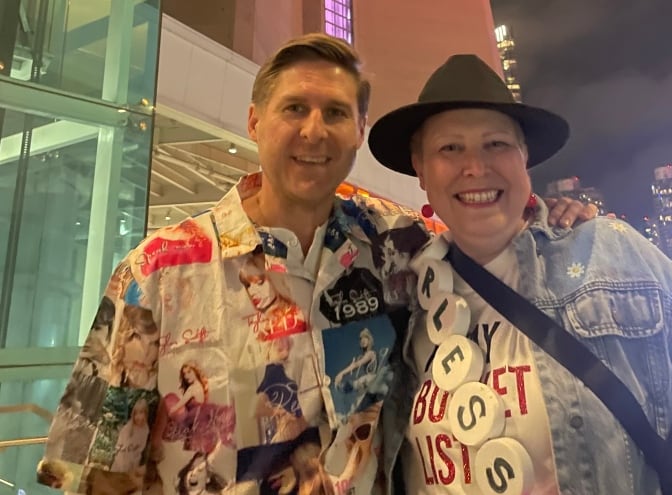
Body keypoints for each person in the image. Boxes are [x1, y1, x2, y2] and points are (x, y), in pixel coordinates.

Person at [37, 34, 596, 495]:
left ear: (358, 129)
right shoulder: (157, 273)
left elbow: (483, 224)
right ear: (255, 122)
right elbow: (96, 472)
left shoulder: (394, 245)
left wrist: (557, 221)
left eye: (335, 113)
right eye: (294, 109)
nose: (313, 131)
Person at [368, 53, 672, 494]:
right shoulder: (407, 300)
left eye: (496, 144)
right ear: (421, 169)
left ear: (524, 157)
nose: (475, 167)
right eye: (450, 148)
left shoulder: (617, 258)